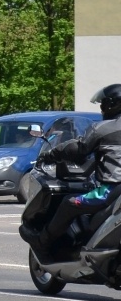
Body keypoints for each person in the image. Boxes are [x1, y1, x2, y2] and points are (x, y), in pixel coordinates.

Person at [26, 83, 121, 259]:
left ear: (112, 105)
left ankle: (43, 242)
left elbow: (79, 149)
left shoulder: (103, 128)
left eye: (103, 104)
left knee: (70, 203)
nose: (101, 108)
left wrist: (52, 153)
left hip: (109, 190)